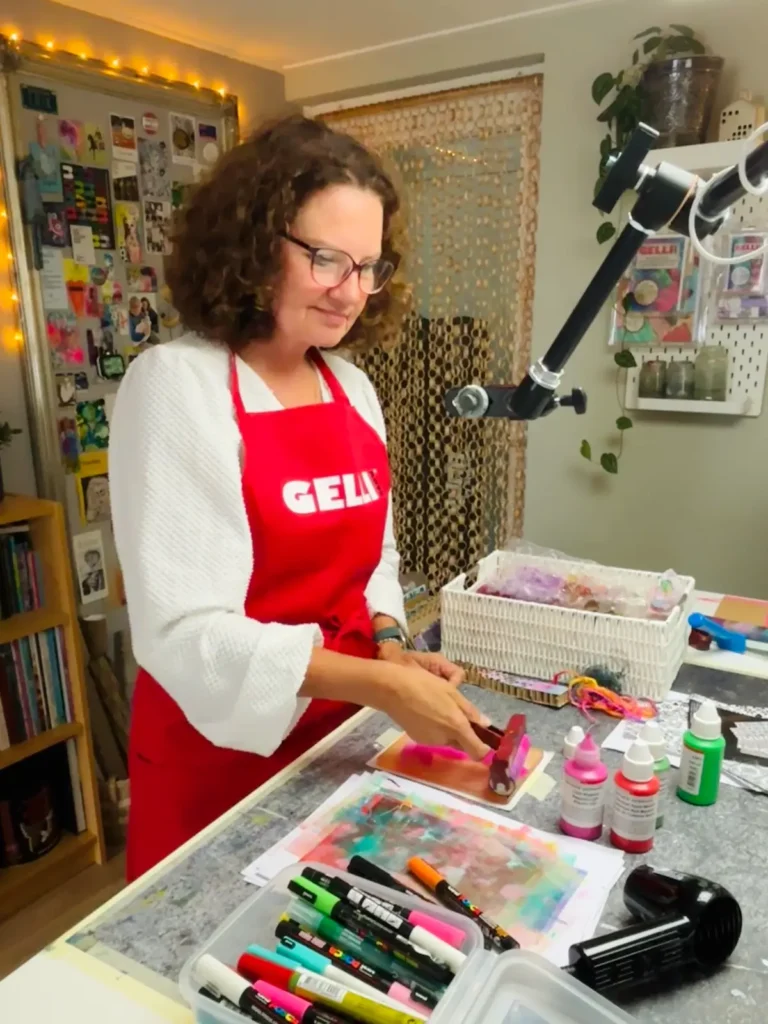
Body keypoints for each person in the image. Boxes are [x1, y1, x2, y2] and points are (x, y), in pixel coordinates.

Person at [109, 114, 490, 882]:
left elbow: (376, 557)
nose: (351, 292)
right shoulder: (177, 386)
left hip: (335, 735)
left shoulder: (349, 386)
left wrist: (390, 644)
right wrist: (380, 683)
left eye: (369, 267)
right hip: (218, 756)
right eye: (326, 259)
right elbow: (182, 633)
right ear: (252, 246)